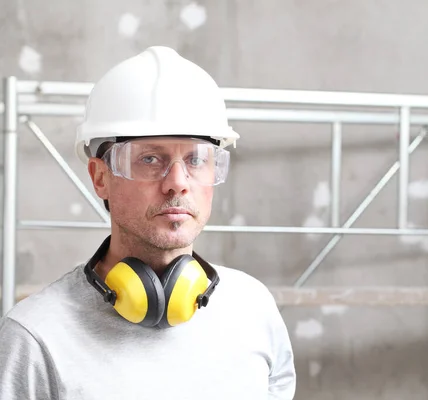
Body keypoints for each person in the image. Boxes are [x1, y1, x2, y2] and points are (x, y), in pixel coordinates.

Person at [0, 46, 296, 399]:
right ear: (100, 177)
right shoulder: (36, 337)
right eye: (150, 158)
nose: (178, 182)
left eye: (197, 159)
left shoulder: (253, 309)